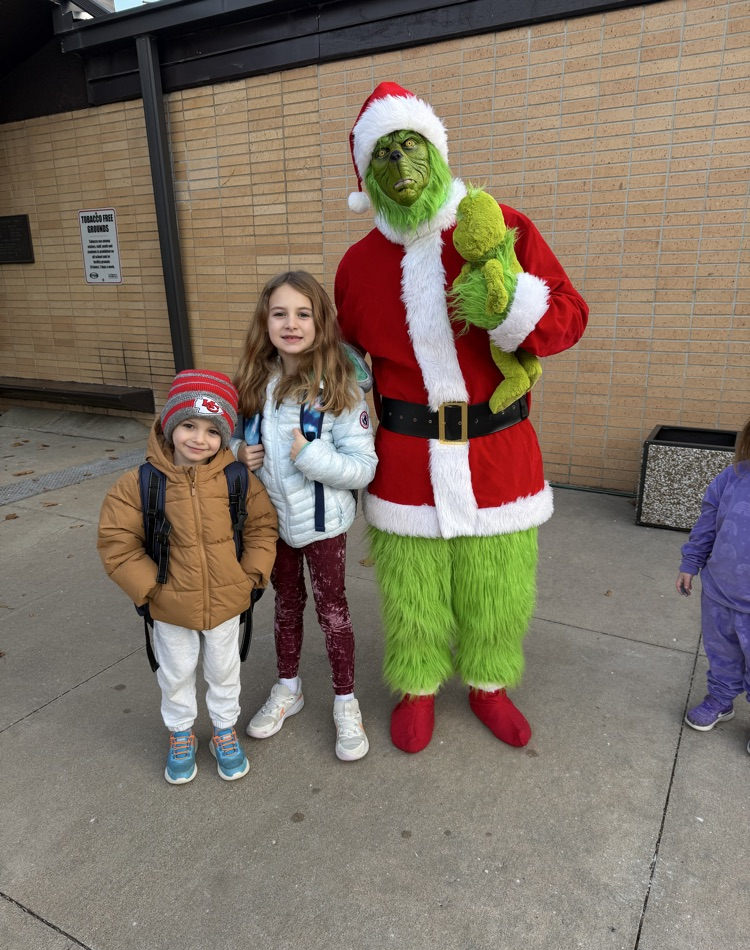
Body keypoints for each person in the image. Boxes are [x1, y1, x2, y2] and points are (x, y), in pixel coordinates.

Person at [334, 81, 589, 753]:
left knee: (498, 584)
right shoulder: (358, 265)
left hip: (498, 453)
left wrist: (514, 311)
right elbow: (349, 362)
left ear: (437, 149)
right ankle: (417, 686)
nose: (400, 164)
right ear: (367, 174)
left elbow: (569, 317)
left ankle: (489, 682)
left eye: (410, 144)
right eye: (383, 153)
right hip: (408, 464)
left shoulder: (500, 226)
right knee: (412, 589)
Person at [98, 370, 278, 784]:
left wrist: (249, 578)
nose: (199, 439)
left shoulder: (238, 480)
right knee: (175, 672)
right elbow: (117, 542)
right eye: (189, 425)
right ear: (170, 425)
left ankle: (223, 730)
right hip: (169, 605)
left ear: (224, 436)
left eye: (213, 431)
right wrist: (150, 590)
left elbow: (262, 528)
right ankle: (181, 733)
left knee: (224, 670)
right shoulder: (139, 485)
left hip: (227, 602)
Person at [232, 270, 378, 761]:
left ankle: (345, 702)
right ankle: (289, 689)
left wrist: (311, 456)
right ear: (265, 321)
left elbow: (364, 468)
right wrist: (238, 451)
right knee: (286, 607)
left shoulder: (340, 386)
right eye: (279, 313)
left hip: (323, 526)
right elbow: (234, 437)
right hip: (272, 525)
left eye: (302, 313)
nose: (290, 324)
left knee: (333, 613)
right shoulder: (255, 381)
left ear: (320, 321)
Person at [676, 416, 750, 749]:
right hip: (720, 593)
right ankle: (721, 699)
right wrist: (690, 563)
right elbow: (707, 525)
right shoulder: (732, 478)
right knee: (721, 653)